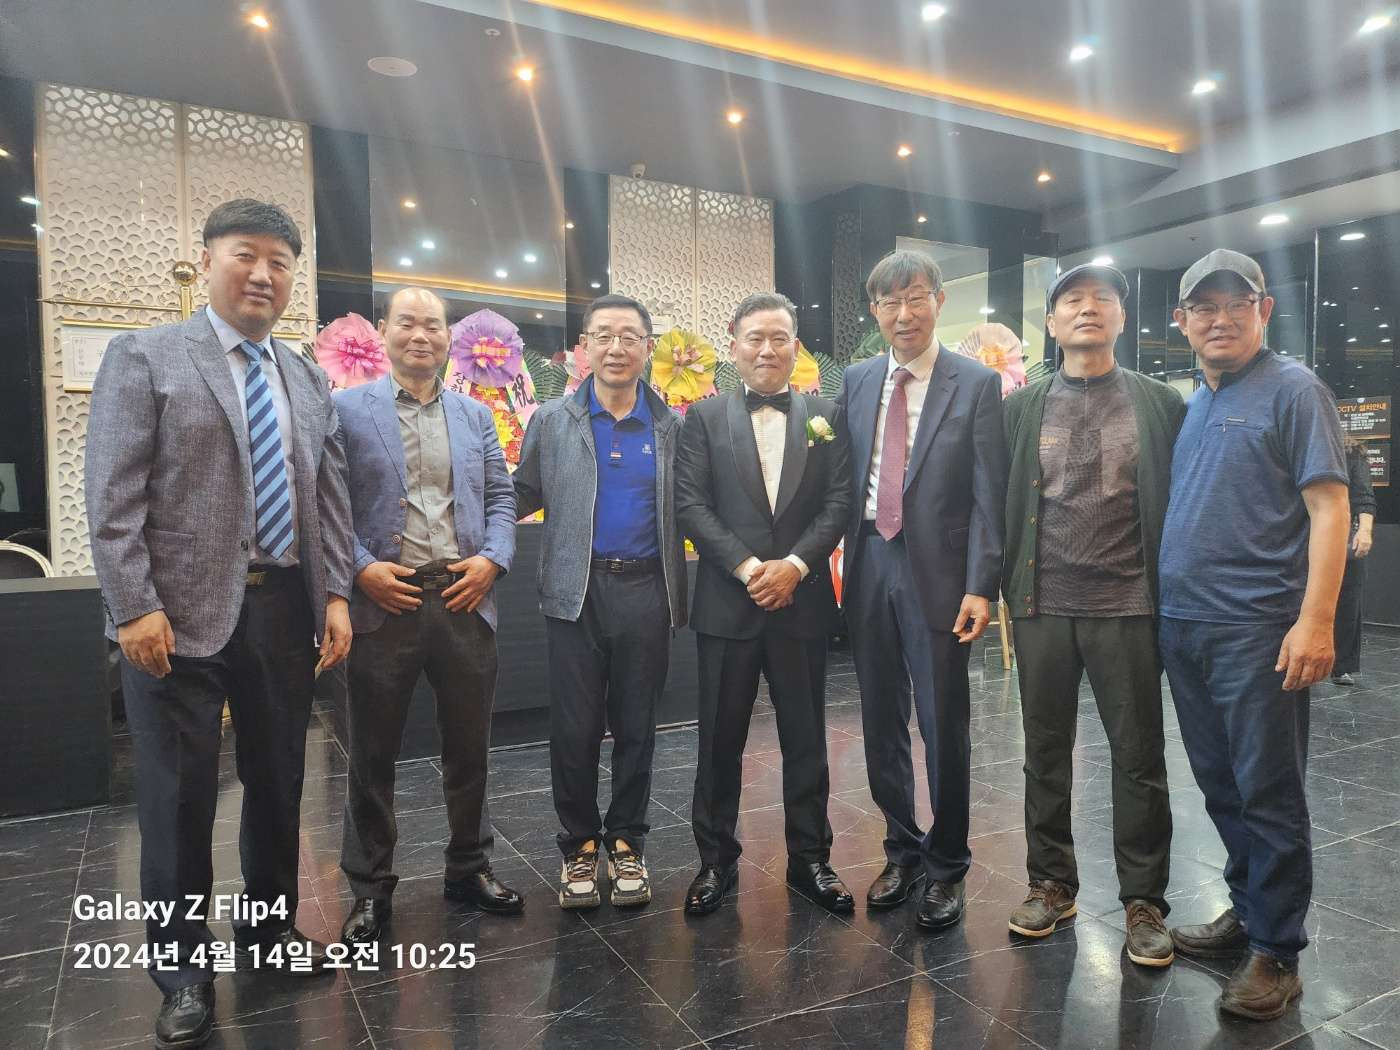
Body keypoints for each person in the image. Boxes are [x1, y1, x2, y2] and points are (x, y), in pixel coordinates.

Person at [85, 199, 353, 1049]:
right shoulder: (147, 356)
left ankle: (267, 934)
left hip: (282, 609)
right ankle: (182, 972)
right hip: (174, 615)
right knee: (178, 799)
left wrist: (335, 596)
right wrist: (133, 605)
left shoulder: (305, 377)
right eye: (246, 255)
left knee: (278, 784)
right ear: (207, 261)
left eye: (280, 261)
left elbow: (326, 498)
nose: (263, 275)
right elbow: (112, 496)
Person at [1159, 249, 1349, 1021]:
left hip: (1257, 628)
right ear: (1182, 322)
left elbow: (1329, 509)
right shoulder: (1194, 403)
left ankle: (1277, 951)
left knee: (1268, 790)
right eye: (1204, 307)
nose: (1221, 319)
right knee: (1221, 785)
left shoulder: (1295, 390)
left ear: (1264, 311)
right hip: (1185, 626)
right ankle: (1246, 912)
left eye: (1237, 304)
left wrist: (1316, 619)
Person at [1001, 263, 1184, 965]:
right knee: (1044, 752)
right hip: (1042, 603)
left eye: (1102, 299)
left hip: (1129, 603)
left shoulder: (1159, 402)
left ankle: (1144, 900)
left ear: (1121, 318)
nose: (1087, 308)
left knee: (1138, 757)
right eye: (1072, 300)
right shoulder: (1022, 407)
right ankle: (1051, 883)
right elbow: (999, 496)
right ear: (1051, 323)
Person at [335, 286, 521, 944]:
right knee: (372, 755)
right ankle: (370, 888)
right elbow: (325, 503)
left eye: (434, 325)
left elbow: (501, 497)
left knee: (469, 748)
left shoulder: (474, 415)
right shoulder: (345, 411)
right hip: (384, 602)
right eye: (407, 323)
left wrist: (493, 559)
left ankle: (469, 867)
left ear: (449, 338)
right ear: (382, 330)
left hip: (463, 599)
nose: (421, 335)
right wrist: (361, 568)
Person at [834, 250, 1007, 931]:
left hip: (939, 573)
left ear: (938, 301)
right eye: (889, 302)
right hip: (870, 561)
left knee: (942, 722)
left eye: (915, 298)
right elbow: (842, 477)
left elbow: (989, 492)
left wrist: (981, 585)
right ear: (874, 310)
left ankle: (948, 864)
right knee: (880, 716)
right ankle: (902, 849)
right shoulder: (856, 380)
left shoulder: (975, 383)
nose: (903, 314)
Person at [675, 291, 853, 915]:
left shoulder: (825, 414)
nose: (768, 349)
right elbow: (691, 504)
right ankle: (715, 862)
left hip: (801, 604)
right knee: (719, 741)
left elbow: (839, 502)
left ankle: (811, 860)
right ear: (734, 346)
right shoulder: (702, 418)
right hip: (729, 604)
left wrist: (795, 566)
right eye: (755, 337)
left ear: (796, 347)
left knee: (806, 739)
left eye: (780, 338)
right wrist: (753, 569)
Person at [514, 294, 687, 910]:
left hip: (647, 590)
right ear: (583, 346)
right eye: (603, 335)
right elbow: (521, 493)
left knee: (638, 725)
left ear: (648, 347)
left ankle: (628, 840)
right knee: (575, 726)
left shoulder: (672, 428)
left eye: (629, 336)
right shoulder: (552, 421)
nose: (616, 348)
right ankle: (580, 845)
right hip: (576, 592)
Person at [1332, 436, 1376, 685]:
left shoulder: (1351, 451)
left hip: (1343, 533)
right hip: (1301, 533)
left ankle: (1341, 666)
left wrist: (1365, 530)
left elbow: (1363, 495)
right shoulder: (1300, 445)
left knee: (1348, 601)